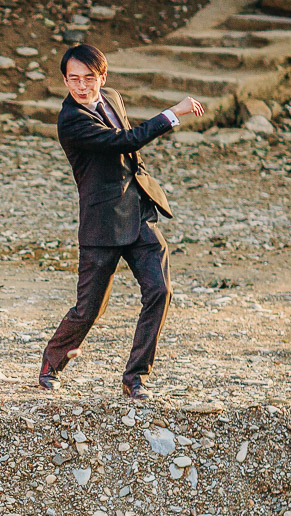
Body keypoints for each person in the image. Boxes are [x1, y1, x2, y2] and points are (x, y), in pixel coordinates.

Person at [39, 43, 204, 401]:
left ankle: (136, 377)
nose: (81, 86)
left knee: (159, 290)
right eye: (73, 79)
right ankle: (51, 364)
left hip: (139, 211)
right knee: (89, 309)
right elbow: (125, 140)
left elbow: (130, 150)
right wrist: (172, 113)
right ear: (65, 81)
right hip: (102, 222)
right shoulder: (71, 120)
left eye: (89, 78)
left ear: (103, 76)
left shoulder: (112, 97)